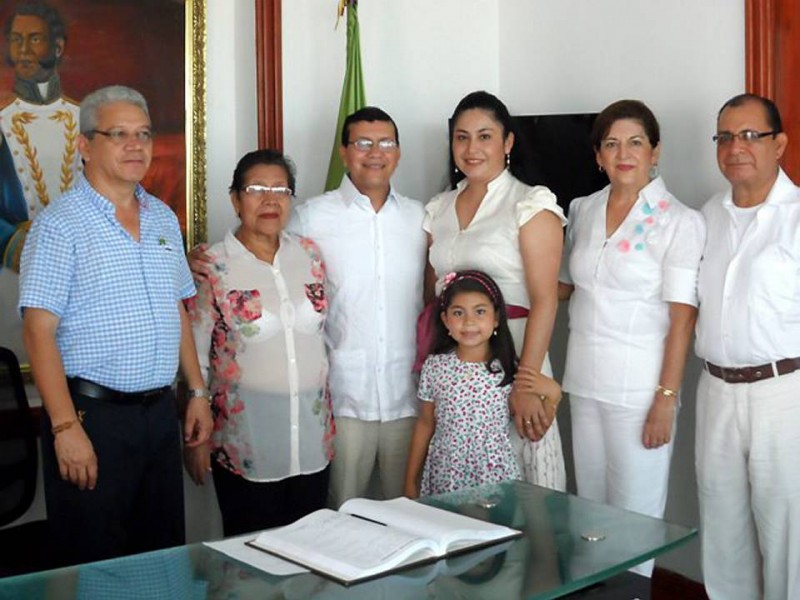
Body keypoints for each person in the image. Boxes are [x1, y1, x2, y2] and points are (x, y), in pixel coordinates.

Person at [190, 107, 427, 508]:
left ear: (399, 152)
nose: (374, 152)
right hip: (342, 400)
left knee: (408, 515)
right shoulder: (311, 219)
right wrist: (193, 262)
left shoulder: (421, 218)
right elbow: (257, 251)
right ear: (344, 152)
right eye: (362, 143)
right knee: (339, 523)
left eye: (385, 142)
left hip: (406, 398)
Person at [18, 85, 212, 565]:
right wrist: (65, 427)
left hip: (158, 416)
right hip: (91, 417)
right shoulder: (59, 225)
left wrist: (197, 393)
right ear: (85, 145)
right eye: (119, 134)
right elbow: (38, 332)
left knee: (160, 554)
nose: (136, 145)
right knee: (95, 562)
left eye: (143, 134)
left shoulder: (164, 217)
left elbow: (178, 310)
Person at [558, 99, 705, 577]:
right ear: (598, 156)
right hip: (583, 383)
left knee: (636, 523)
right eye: (612, 144)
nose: (624, 153)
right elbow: (562, 288)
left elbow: (682, 318)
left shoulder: (678, 220)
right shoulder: (582, 209)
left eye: (635, 142)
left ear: (655, 151)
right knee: (591, 517)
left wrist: (666, 396)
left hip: (640, 391)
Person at [183, 149, 334, 535]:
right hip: (245, 446)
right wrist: (195, 431)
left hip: (313, 443)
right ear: (235, 200)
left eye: (280, 189)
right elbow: (196, 355)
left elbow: (325, 335)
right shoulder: (212, 265)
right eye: (256, 189)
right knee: (250, 566)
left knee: (310, 559)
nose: (270, 199)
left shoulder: (310, 255)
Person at [423, 91, 566, 490]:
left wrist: (526, 384)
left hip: (518, 354)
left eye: (485, 136)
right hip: (457, 366)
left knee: (522, 486)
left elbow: (545, 300)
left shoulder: (530, 204)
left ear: (507, 143)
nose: (472, 148)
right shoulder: (439, 208)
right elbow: (430, 296)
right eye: (462, 137)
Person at [695, 93, 800, 600]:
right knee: (723, 532)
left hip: (784, 394)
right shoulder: (706, 216)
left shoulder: (797, 217)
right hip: (715, 389)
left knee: (788, 535)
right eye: (725, 136)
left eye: (750, 135)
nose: (736, 147)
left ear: (779, 144)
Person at [404, 270, 560, 498]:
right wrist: (410, 480)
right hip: (445, 474)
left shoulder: (510, 370)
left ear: (496, 318)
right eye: (458, 313)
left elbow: (533, 432)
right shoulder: (435, 367)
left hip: (495, 478)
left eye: (480, 312)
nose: (469, 322)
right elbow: (425, 424)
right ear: (445, 319)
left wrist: (554, 395)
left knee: (490, 532)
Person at [1, 1, 81, 362]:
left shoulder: (85, 118)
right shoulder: (2, 118)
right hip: (13, 277)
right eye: (16, 40)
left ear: (58, 47)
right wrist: (11, 242)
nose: (23, 50)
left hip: (83, 278)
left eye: (34, 39)